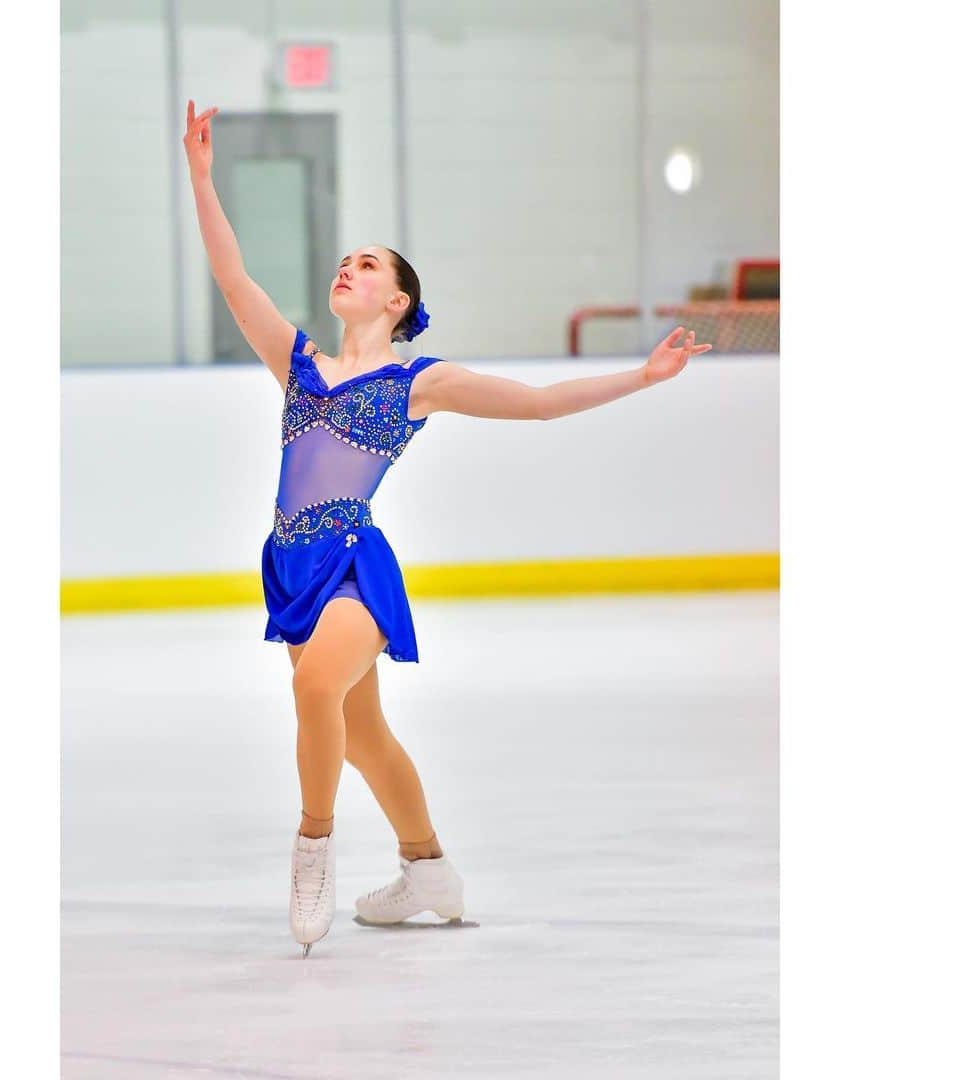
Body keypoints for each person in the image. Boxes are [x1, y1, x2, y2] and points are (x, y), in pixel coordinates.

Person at [183, 102, 713, 956]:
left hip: (355, 561)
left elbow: (538, 405)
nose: (347, 269)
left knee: (316, 690)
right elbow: (233, 280)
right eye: (343, 260)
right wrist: (204, 180)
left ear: (397, 299)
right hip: (291, 564)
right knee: (363, 737)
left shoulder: (417, 381)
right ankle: (427, 870)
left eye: (368, 265)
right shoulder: (300, 362)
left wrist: (645, 377)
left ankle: (311, 848)